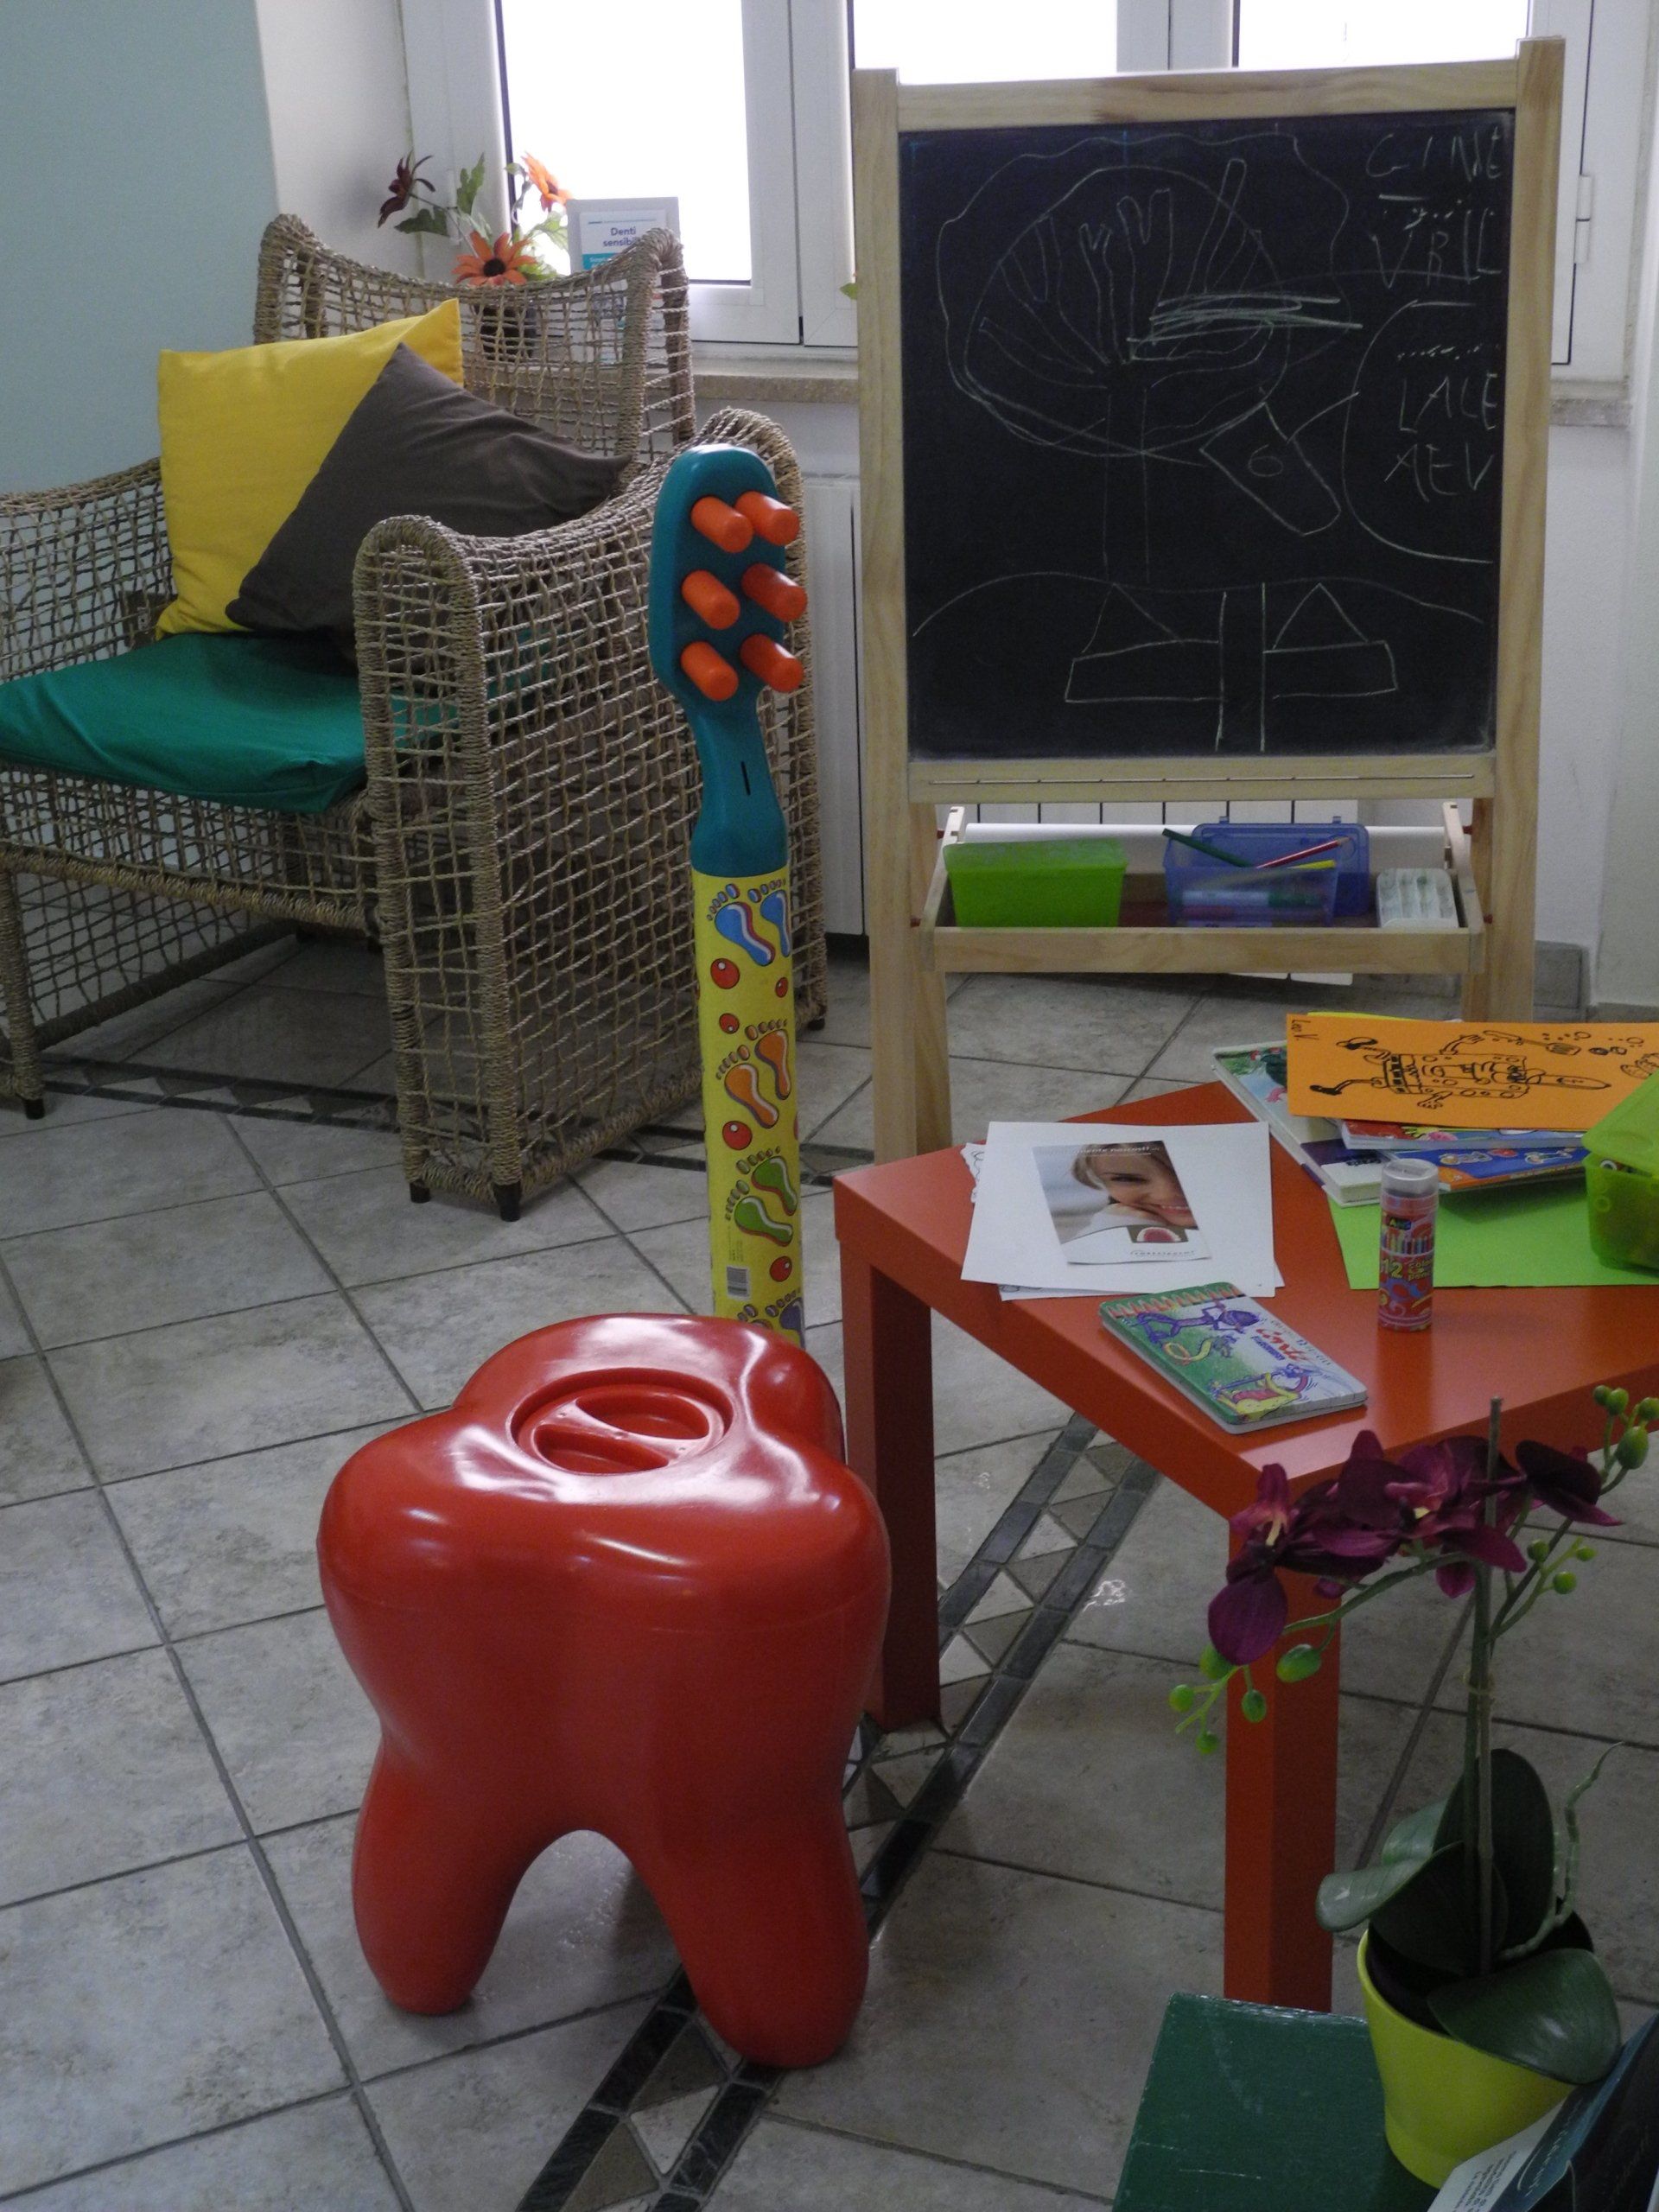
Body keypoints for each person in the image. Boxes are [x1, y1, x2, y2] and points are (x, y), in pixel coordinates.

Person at [1071, 1141, 1198, 1230]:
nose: (1166, 1194)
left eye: (1186, 1174)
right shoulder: (1114, 1223)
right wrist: (1113, 1229)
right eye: (1129, 1179)